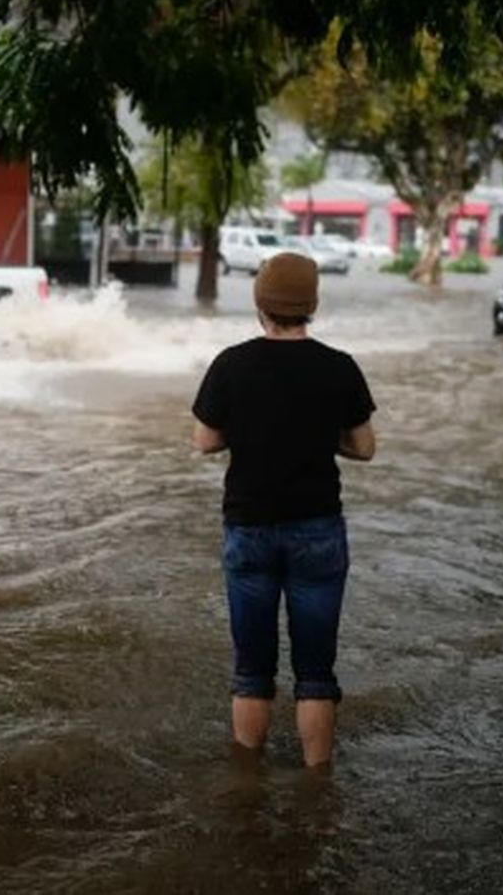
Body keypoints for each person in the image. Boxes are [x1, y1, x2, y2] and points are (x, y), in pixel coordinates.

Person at [191, 252, 376, 767]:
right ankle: (318, 787)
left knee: (251, 670)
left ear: (260, 305)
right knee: (316, 673)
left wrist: (251, 433)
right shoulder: (339, 367)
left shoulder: (232, 363)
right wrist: (319, 439)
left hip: (249, 530)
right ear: (312, 305)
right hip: (317, 531)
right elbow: (364, 447)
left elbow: (204, 441)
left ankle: (248, 785)